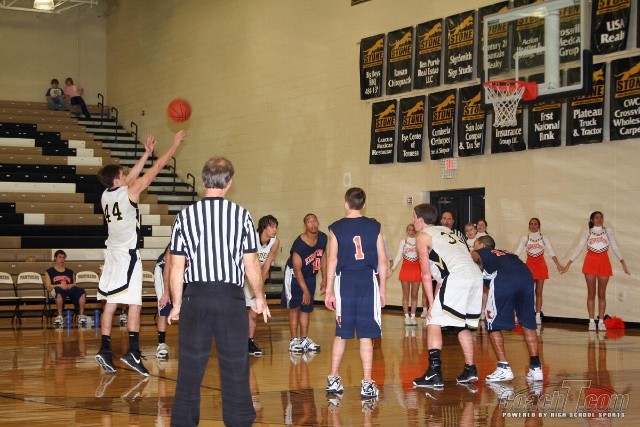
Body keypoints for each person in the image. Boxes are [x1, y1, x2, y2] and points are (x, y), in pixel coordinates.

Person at [167, 156, 270, 427]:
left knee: (190, 367)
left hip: (195, 296)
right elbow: (251, 263)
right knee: (235, 365)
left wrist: (177, 304)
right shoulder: (241, 215)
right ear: (229, 182)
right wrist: (259, 297)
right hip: (229, 297)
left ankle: (183, 422)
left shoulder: (185, 216)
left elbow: (176, 266)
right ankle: (239, 421)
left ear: (203, 180)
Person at [94, 130, 185, 377]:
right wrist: (173, 145)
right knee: (135, 302)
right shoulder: (130, 192)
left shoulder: (106, 195)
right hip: (127, 255)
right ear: (118, 179)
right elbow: (157, 168)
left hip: (111, 254)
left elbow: (132, 176)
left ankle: (104, 349)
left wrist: (146, 153)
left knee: (111, 302)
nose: (127, 176)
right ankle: (133, 351)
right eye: (123, 175)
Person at [324, 187, 387, 399]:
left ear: (346, 204)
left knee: (342, 332)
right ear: (364, 204)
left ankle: (333, 378)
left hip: (345, 282)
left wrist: (328, 290)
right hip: (367, 281)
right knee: (366, 335)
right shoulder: (375, 227)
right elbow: (382, 261)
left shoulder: (336, 228)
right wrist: (383, 289)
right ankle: (367, 383)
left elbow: (332, 260)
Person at [412, 203, 483, 388]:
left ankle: (434, 373)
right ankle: (470, 368)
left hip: (457, 277)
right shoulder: (449, 232)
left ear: (420, 219)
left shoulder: (423, 236)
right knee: (461, 323)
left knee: (433, 321)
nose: (413, 221)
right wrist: (436, 300)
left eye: (413, 217)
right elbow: (443, 275)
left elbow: (426, 274)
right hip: (475, 276)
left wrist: (430, 305)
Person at [472, 235, 544, 383]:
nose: (473, 247)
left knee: (492, 323)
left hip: (505, 279)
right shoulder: (506, 253)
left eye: (475, 245)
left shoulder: (483, 252)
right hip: (526, 277)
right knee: (528, 323)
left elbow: (472, 257)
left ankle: (503, 368)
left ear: (482, 245)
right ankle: (536, 368)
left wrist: (466, 258)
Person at [563, 211, 630, 331]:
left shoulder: (608, 231)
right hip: (590, 262)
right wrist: (569, 263)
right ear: (592, 220)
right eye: (596, 217)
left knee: (602, 294)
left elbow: (614, 246)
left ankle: (601, 321)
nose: (599, 219)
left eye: (601, 217)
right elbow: (579, 248)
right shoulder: (587, 232)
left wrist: (622, 262)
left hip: (604, 262)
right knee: (591, 293)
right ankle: (591, 321)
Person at [282, 213, 327, 354]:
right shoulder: (299, 244)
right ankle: (293, 340)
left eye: (314, 221)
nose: (312, 224)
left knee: (306, 307)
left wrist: (325, 278)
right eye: (309, 221)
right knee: (295, 306)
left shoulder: (323, 238)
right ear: (305, 225)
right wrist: (305, 291)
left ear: (318, 223)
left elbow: (323, 257)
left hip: (310, 275)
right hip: (294, 275)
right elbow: (297, 269)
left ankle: (304, 339)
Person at [514, 218, 564, 325]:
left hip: (541, 266)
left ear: (539, 226)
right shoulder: (525, 238)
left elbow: (551, 251)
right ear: (529, 226)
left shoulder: (543, 237)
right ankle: (529, 314)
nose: (533, 226)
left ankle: (537, 315)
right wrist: (509, 262)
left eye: (535, 224)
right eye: (531, 224)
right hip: (529, 267)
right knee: (528, 292)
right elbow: (517, 253)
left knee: (539, 292)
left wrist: (558, 264)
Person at [246, 215, 280, 356]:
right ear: (263, 227)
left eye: (276, 227)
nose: (275, 230)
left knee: (255, 310)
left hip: (256, 277)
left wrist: (259, 287)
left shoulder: (275, 242)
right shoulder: (251, 238)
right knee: (236, 309)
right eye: (272, 227)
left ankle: (249, 341)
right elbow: (246, 264)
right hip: (242, 275)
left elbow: (266, 267)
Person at [44, 249, 90, 325]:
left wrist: (70, 285)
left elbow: (74, 284)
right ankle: (60, 316)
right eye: (60, 257)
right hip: (57, 290)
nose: (62, 259)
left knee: (81, 291)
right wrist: (59, 285)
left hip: (69, 289)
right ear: (55, 258)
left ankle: (81, 315)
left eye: (63, 257)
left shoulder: (70, 271)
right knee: (58, 290)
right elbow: (48, 286)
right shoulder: (49, 272)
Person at [390, 223, 421, 325]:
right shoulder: (403, 242)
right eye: (409, 230)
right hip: (405, 269)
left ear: (416, 231)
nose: (411, 232)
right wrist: (392, 268)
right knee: (406, 294)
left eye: (413, 230)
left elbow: (423, 257)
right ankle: (406, 316)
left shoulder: (419, 241)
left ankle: (413, 316)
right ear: (406, 231)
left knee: (414, 295)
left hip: (416, 269)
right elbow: (398, 257)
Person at [154, 245, 171, 360]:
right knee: (164, 306)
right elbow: (167, 269)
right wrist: (166, 292)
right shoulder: (176, 242)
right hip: (164, 269)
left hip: (182, 271)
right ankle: (161, 344)